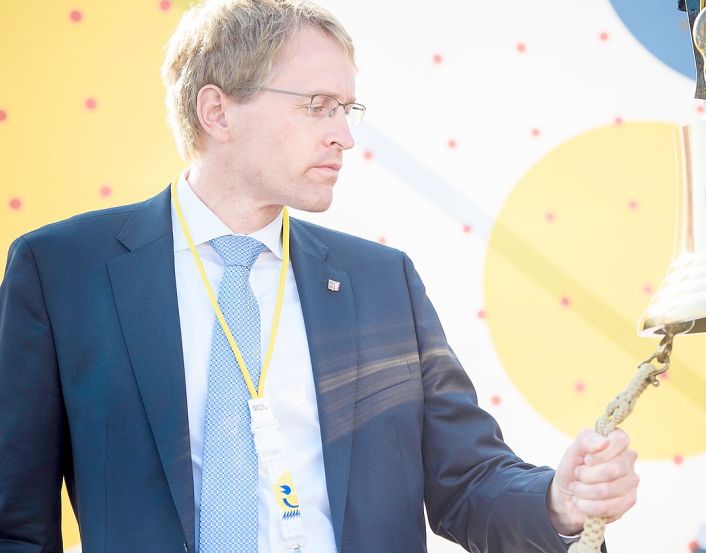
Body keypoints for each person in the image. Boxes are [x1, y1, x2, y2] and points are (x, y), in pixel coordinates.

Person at [0, 1, 639, 551]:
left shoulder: (383, 283)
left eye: (347, 109)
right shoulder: (62, 273)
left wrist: (556, 502)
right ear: (218, 113)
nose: (344, 137)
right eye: (318, 106)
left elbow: (466, 482)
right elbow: (15, 523)